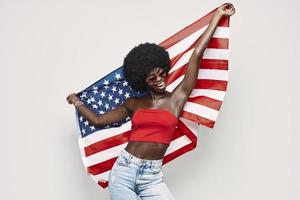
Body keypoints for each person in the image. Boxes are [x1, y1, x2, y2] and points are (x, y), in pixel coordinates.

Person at [66, 3, 235, 199]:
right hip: (123, 173)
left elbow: (196, 55)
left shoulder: (176, 99)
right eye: (152, 78)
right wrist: (76, 101)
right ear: (141, 80)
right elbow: (98, 121)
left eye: (161, 74)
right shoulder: (134, 104)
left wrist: (218, 16)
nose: (159, 80)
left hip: (152, 178)